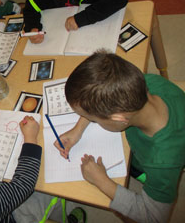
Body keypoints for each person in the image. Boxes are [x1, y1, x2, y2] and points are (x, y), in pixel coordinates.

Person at [55, 51, 185, 223]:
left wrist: (102, 181)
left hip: (153, 164)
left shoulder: (161, 162)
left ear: (118, 118)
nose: (89, 120)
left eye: (92, 118)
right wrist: (77, 130)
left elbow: (153, 218)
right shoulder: (147, 83)